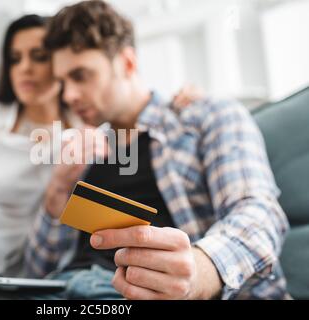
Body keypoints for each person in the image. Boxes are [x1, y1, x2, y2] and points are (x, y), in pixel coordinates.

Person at [25, 0, 290, 300]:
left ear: (126, 63)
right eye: (61, 82)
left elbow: (260, 215)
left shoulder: (204, 116)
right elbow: (35, 272)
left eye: (81, 75)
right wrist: (58, 191)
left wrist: (200, 270)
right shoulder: (82, 154)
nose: (69, 95)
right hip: (64, 290)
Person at [0, 13, 199, 278]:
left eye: (39, 56)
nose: (24, 68)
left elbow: (135, 107)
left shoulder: (88, 135)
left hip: (21, 276)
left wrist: (186, 102)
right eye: (14, 59)